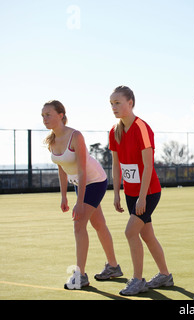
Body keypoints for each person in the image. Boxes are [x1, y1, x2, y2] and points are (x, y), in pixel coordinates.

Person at [42, 100, 122, 290]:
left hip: (94, 181)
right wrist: (64, 196)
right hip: (79, 183)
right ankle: (113, 266)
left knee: (79, 224)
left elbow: (83, 170)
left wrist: (79, 202)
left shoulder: (75, 136)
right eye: (43, 115)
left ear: (61, 115)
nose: (45, 119)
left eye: (48, 114)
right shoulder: (51, 140)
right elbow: (61, 168)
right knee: (98, 223)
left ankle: (81, 276)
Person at [108, 86, 173, 296]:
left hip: (149, 192)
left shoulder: (142, 127)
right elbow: (116, 165)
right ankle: (165, 274)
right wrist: (117, 192)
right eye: (111, 104)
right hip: (130, 193)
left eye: (118, 103)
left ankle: (137, 280)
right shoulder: (114, 131)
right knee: (147, 235)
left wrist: (143, 196)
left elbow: (148, 166)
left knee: (130, 232)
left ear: (130, 103)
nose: (114, 107)